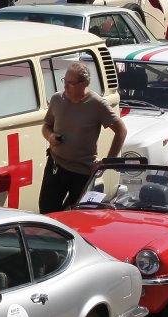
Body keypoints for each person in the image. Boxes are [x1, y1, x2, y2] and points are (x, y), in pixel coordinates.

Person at [39, 64, 126, 212]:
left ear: (84, 83)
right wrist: (51, 136)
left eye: (70, 83)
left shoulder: (97, 104)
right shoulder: (57, 99)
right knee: (47, 211)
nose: (65, 86)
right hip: (56, 166)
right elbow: (46, 126)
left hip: (82, 172)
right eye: (64, 81)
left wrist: (108, 161)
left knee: (78, 214)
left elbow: (121, 131)